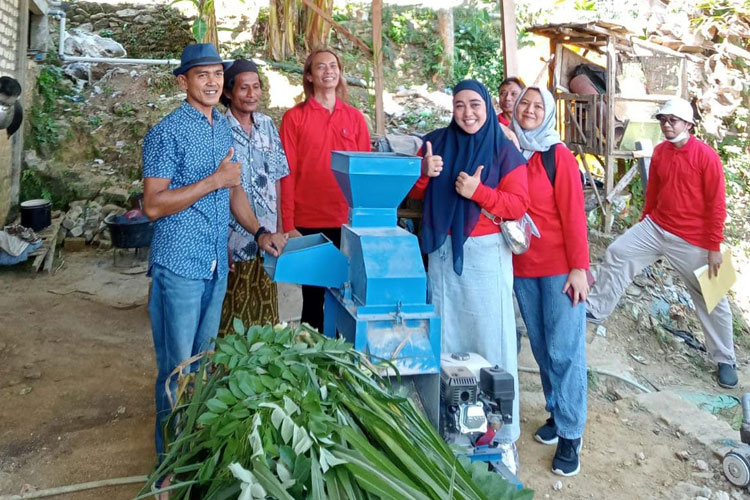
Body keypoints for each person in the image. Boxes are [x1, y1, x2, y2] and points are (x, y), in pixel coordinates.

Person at [142, 44, 284, 469]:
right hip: (179, 265)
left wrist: (258, 231)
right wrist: (214, 180)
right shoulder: (166, 132)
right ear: (183, 82)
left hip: (215, 262)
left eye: (216, 74)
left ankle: (191, 453)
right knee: (175, 369)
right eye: (201, 74)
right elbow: (152, 205)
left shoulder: (222, 128)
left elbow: (234, 187)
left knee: (202, 364)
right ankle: (168, 466)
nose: (211, 81)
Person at [410, 79, 529, 474]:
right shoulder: (435, 142)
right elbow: (410, 192)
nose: (468, 113)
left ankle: (503, 437)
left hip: (485, 257)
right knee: (449, 341)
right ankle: (454, 429)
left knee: (491, 341)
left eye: (475, 104)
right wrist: (424, 172)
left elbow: (518, 204)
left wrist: (479, 192)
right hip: (443, 254)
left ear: (488, 106)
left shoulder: (502, 148)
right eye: (460, 105)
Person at [586, 97, 737, 388]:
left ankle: (725, 358)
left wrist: (714, 247)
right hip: (657, 226)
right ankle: (596, 308)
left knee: (714, 297)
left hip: (695, 238)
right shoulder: (660, 152)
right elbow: (653, 191)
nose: (667, 125)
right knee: (618, 251)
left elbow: (717, 204)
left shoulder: (706, 156)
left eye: (673, 120)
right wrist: (644, 222)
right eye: (663, 120)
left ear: (688, 124)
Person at [511, 86, 590, 477]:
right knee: (542, 349)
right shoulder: (510, 150)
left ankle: (572, 433)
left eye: (537, 105)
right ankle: (557, 415)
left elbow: (574, 214)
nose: (528, 109)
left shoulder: (557, 155)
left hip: (561, 268)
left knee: (565, 350)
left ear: (548, 113)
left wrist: (580, 267)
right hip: (523, 268)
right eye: (524, 103)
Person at [280, 48, 371, 331]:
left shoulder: (355, 119)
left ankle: (343, 360)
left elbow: (365, 172)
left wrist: (365, 221)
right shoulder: (294, 118)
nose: (328, 71)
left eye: (333, 65)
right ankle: (313, 362)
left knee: (349, 295)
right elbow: (285, 174)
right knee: (313, 298)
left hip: (347, 222)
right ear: (309, 75)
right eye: (321, 66)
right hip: (308, 223)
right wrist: (288, 223)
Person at [218, 59, 290, 334]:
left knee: (266, 314)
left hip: (268, 238)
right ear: (228, 93)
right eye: (244, 88)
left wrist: (281, 228)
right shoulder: (219, 130)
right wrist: (218, 242)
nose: (251, 94)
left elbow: (278, 178)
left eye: (256, 87)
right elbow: (217, 189)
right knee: (233, 315)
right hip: (234, 241)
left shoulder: (267, 125)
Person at [497, 76, 524, 149]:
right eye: (503, 93)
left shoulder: (528, 124)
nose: (507, 98)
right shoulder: (493, 124)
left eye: (513, 94)